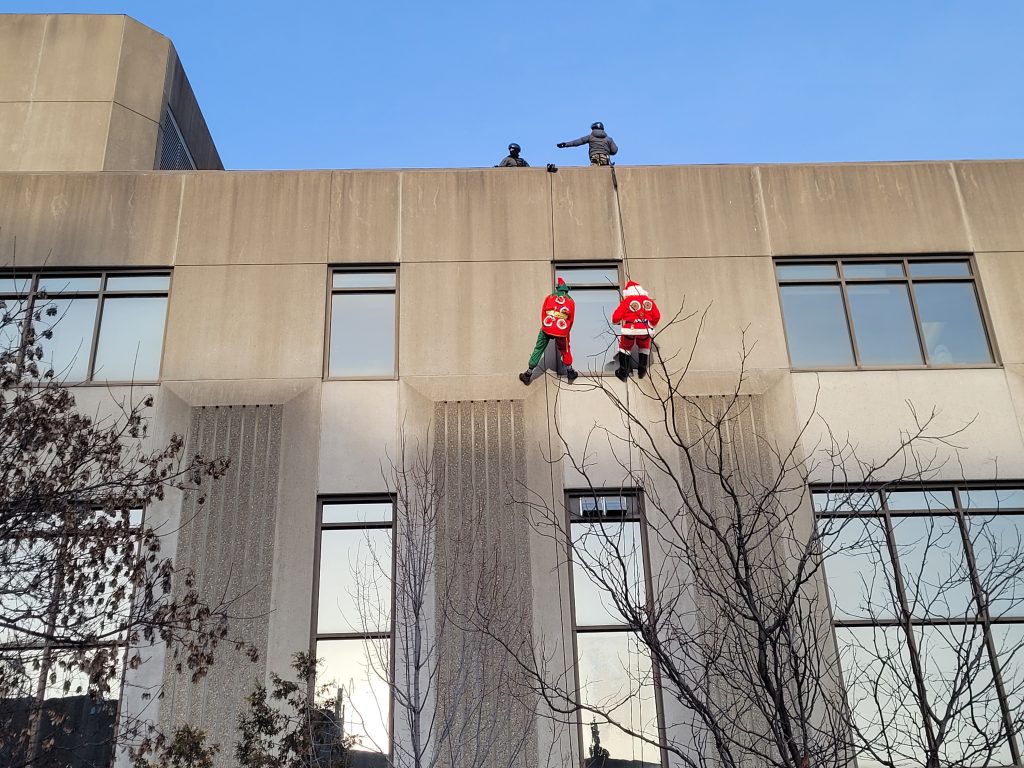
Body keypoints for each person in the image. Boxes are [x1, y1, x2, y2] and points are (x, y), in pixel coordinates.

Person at [519, 278, 579, 385]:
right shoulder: (570, 301)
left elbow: (543, 312)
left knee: (539, 348)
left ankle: (528, 374)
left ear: (558, 289)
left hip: (548, 325)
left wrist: (545, 325)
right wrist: (566, 331)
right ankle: (570, 371)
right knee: (565, 349)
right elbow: (571, 319)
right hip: (561, 328)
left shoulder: (549, 297)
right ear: (566, 290)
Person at [611, 280, 661, 380]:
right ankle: (642, 370)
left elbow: (616, 317)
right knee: (644, 347)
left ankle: (623, 371)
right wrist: (651, 325)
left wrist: (616, 322)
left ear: (628, 292)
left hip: (631, 329)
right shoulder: (649, 301)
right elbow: (657, 316)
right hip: (645, 329)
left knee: (625, 347)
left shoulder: (627, 301)